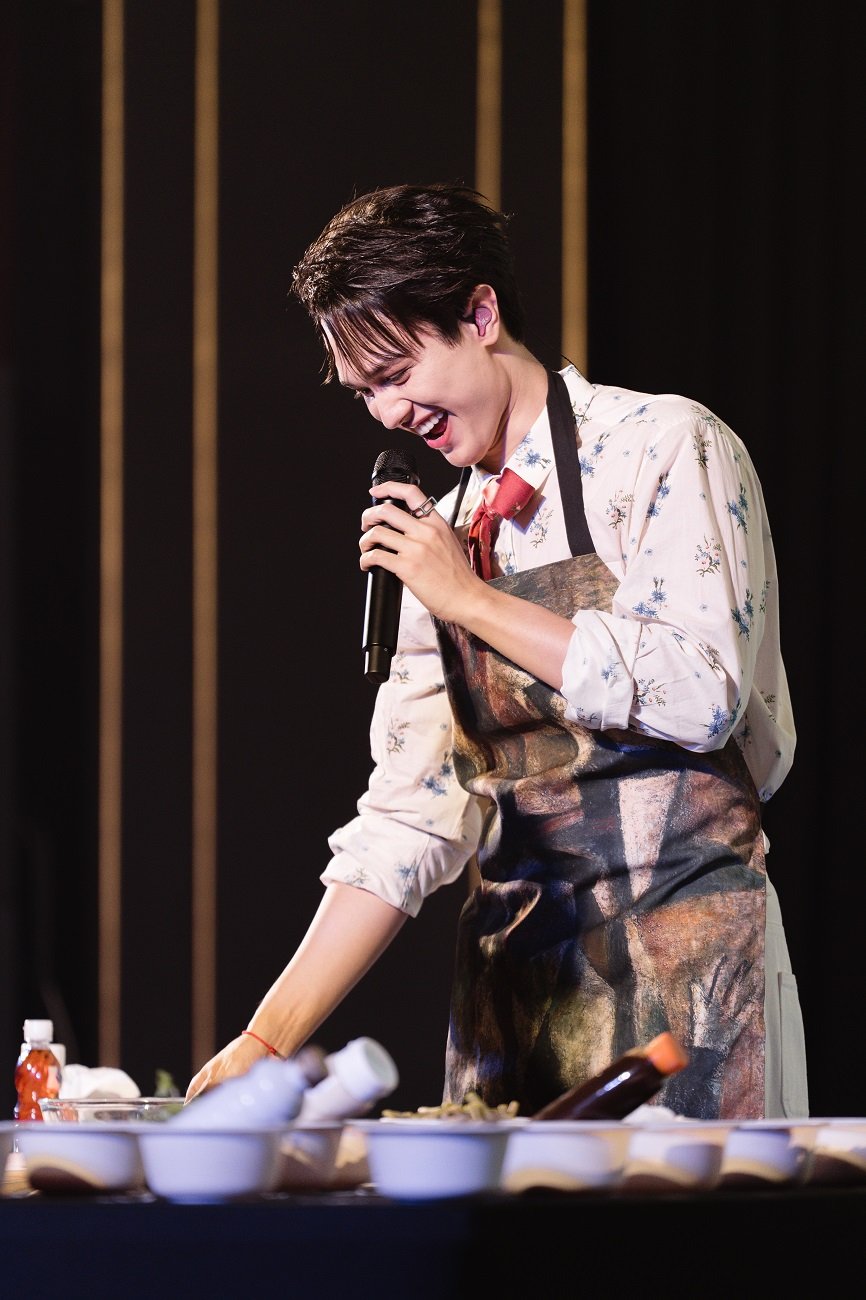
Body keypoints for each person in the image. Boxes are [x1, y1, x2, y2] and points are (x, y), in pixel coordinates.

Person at [186, 182, 808, 1120]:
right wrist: (266, 1038)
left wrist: (471, 601)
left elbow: (701, 693)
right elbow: (410, 818)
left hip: (691, 979)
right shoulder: (443, 541)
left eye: (397, 373)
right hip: (515, 999)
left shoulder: (662, 447)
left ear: (480, 315)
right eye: (365, 393)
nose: (387, 414)